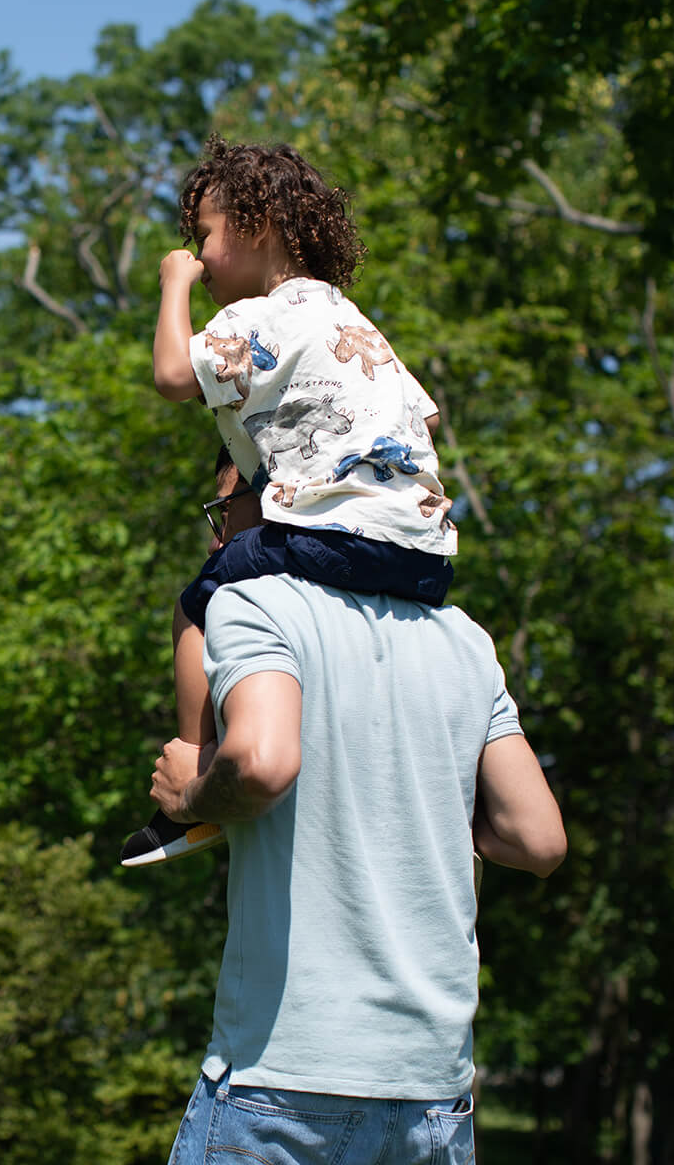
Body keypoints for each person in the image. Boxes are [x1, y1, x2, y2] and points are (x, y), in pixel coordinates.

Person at [148, 456, 566, 1164]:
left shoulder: (254, 603)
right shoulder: (463, 637)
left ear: (285, 492)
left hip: (282, 1084)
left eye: (226, 510)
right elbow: (538, 839)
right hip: (432, 1095)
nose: (217, 540)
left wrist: (190, 793)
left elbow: (261, 762)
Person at [123, 135, 457, 867]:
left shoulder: (264, 315)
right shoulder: (351, 319)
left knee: (197, 605)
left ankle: (195, 769)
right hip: (422, 551)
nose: (199, 257)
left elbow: (175, 374)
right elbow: (423, 418)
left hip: (329, 531)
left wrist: (171, 285)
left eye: (202, 237)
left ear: (255, 226)